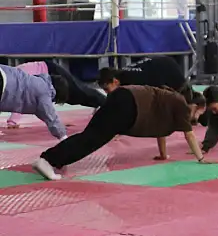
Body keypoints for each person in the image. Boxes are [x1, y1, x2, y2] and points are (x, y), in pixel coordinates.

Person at [30, 86, 207, 181]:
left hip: (123, 96)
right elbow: (189, 135)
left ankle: (52, 159)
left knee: (89, 135)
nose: (196, 119)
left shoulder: (172, 102)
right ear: (196, 107)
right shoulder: (183, 106)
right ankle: (48, 160)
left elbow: (161, 131)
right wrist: (201, 158)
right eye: (199, 114)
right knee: (92, 139)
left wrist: (163, 154)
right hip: (129, 106)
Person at [0, 62, 69, 141]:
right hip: (3, 82)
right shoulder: (44, 92)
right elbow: (51, 118)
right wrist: (64, 137)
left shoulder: (34, 80)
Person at [98, 56, 187, 95]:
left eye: (106, 89)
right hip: (163, 64)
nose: (106, 93)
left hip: (168, 68)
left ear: (115, 81)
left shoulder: (131, 81)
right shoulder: (123, 75)